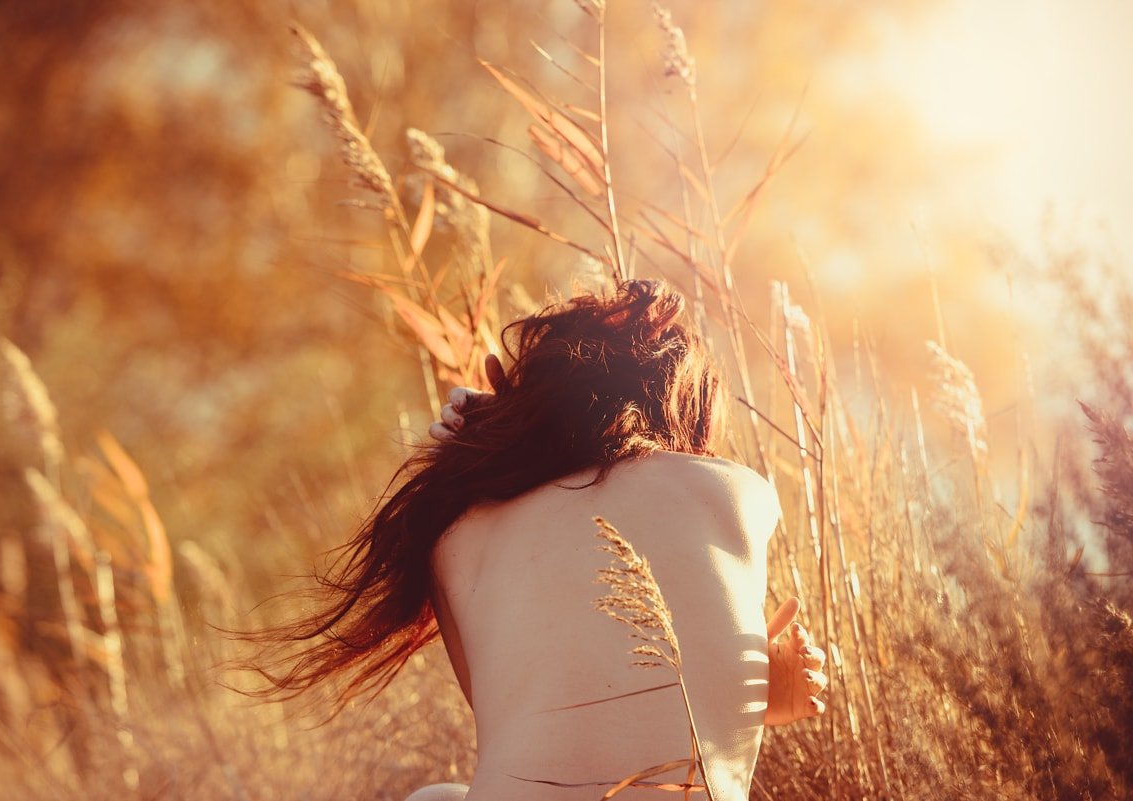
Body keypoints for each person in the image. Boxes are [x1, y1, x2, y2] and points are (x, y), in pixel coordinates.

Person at [258, 280, 827, 801]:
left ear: (534, 399)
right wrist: (762, 696)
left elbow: (521, 722)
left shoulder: (457, 529)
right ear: (684, 404)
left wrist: (486, 447)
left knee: (433, 799)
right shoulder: (738, 493)